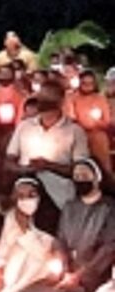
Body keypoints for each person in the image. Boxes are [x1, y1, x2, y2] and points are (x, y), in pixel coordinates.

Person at [18, 158, 115, 292]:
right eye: (76, 176)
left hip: (95, 273)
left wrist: (78, 275)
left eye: (84, 176)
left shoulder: (109, 209)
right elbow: (61, 240)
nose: (80, 180)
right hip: (67, 269)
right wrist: (61, 267)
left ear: (97, 179)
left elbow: (108, 248)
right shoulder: (71, 207)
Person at [6, 80, 89, 222]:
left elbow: (80, 170)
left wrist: (48, 166)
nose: (44, 101)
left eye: (50, 97)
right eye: (42, 96)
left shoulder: (75, 131)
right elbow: (8, 161)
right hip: (26, 193)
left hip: (59, 197)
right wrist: (24, 169)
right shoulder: (25, 126)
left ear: (61, 101)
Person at [67, 70, 112, 174]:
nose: (88, 86)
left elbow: (107, 121)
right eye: (84, 83)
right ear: (80, 83)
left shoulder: (100, 99)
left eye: (91, 83)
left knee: (100, 140)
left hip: (98, 135)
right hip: (79, 135)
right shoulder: (72, 98)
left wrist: (96, 122)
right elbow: (71, 118)